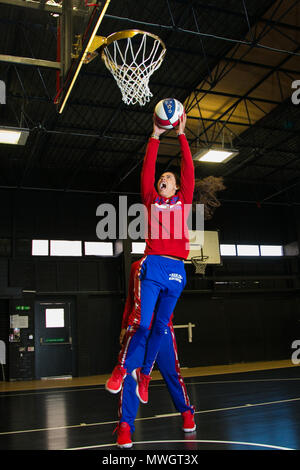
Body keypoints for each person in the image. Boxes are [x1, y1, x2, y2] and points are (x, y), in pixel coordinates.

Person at [106, 110, 195, 404]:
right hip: (154, 265)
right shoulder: (150, 200)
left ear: (177, 186)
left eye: (168, 177)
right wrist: (155, 136)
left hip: (177, 270)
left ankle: (145, 374)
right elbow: (148, 169)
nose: (162, 179)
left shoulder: (183, 199)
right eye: (161, 178)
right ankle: (121, 370)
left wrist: (181, 134)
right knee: (143, 324)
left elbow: (188, 169)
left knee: (160, 327)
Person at [114, 260, 196, 449]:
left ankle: (186, 413)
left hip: (162, 328)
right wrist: (124, 325)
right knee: (130, 376)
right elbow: (130, 297)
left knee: (171, 373)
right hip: (139, 328)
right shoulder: (137, 265)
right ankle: (125, 426)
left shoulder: (174, 265)